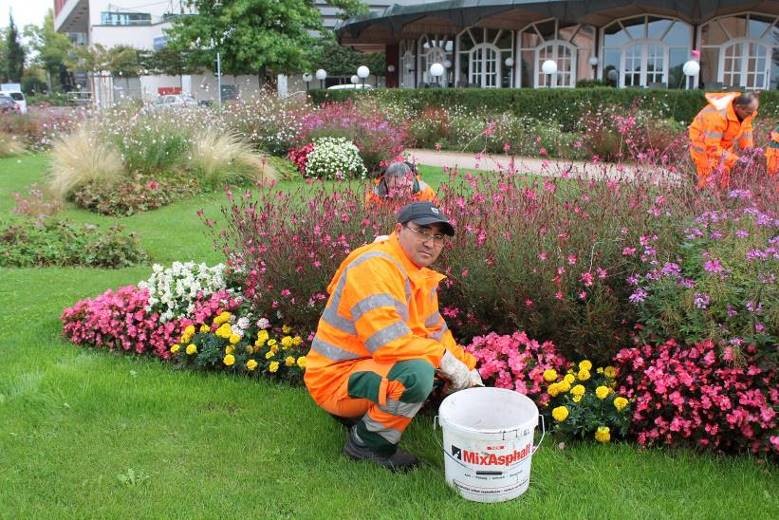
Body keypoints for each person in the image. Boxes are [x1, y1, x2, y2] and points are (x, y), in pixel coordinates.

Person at [304, 201, 481, 471]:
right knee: (417, 373)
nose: (430, 243)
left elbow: (436, 332)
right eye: (423, 232)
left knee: (425, 362)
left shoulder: (417, 274)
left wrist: (466, 369)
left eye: (438, 237)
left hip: (366, 369)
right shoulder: (374, 267)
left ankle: (364, 415)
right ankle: (367, 446)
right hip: (335, 378)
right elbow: (387, 342)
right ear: (399, 230)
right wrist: (442, 359)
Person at [688, 91, 758, 188]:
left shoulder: (746, 112)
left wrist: (749, 150)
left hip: (722, 145)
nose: (751, 115)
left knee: (724, 171)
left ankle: (722, 195)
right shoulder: (717, 117)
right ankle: (703, 195)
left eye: (753, 112)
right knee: (707, 175)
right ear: (738, 108)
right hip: (702, 145)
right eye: (749, 113)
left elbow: (746, 128)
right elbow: (712, 148)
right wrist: (736, 160)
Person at [365, 161, 437, 206]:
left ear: (411, 182)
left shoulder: (425, 191)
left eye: (404, 187)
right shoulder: (375, 194)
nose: (400, 193)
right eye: (394, 188)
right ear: (386, 183)